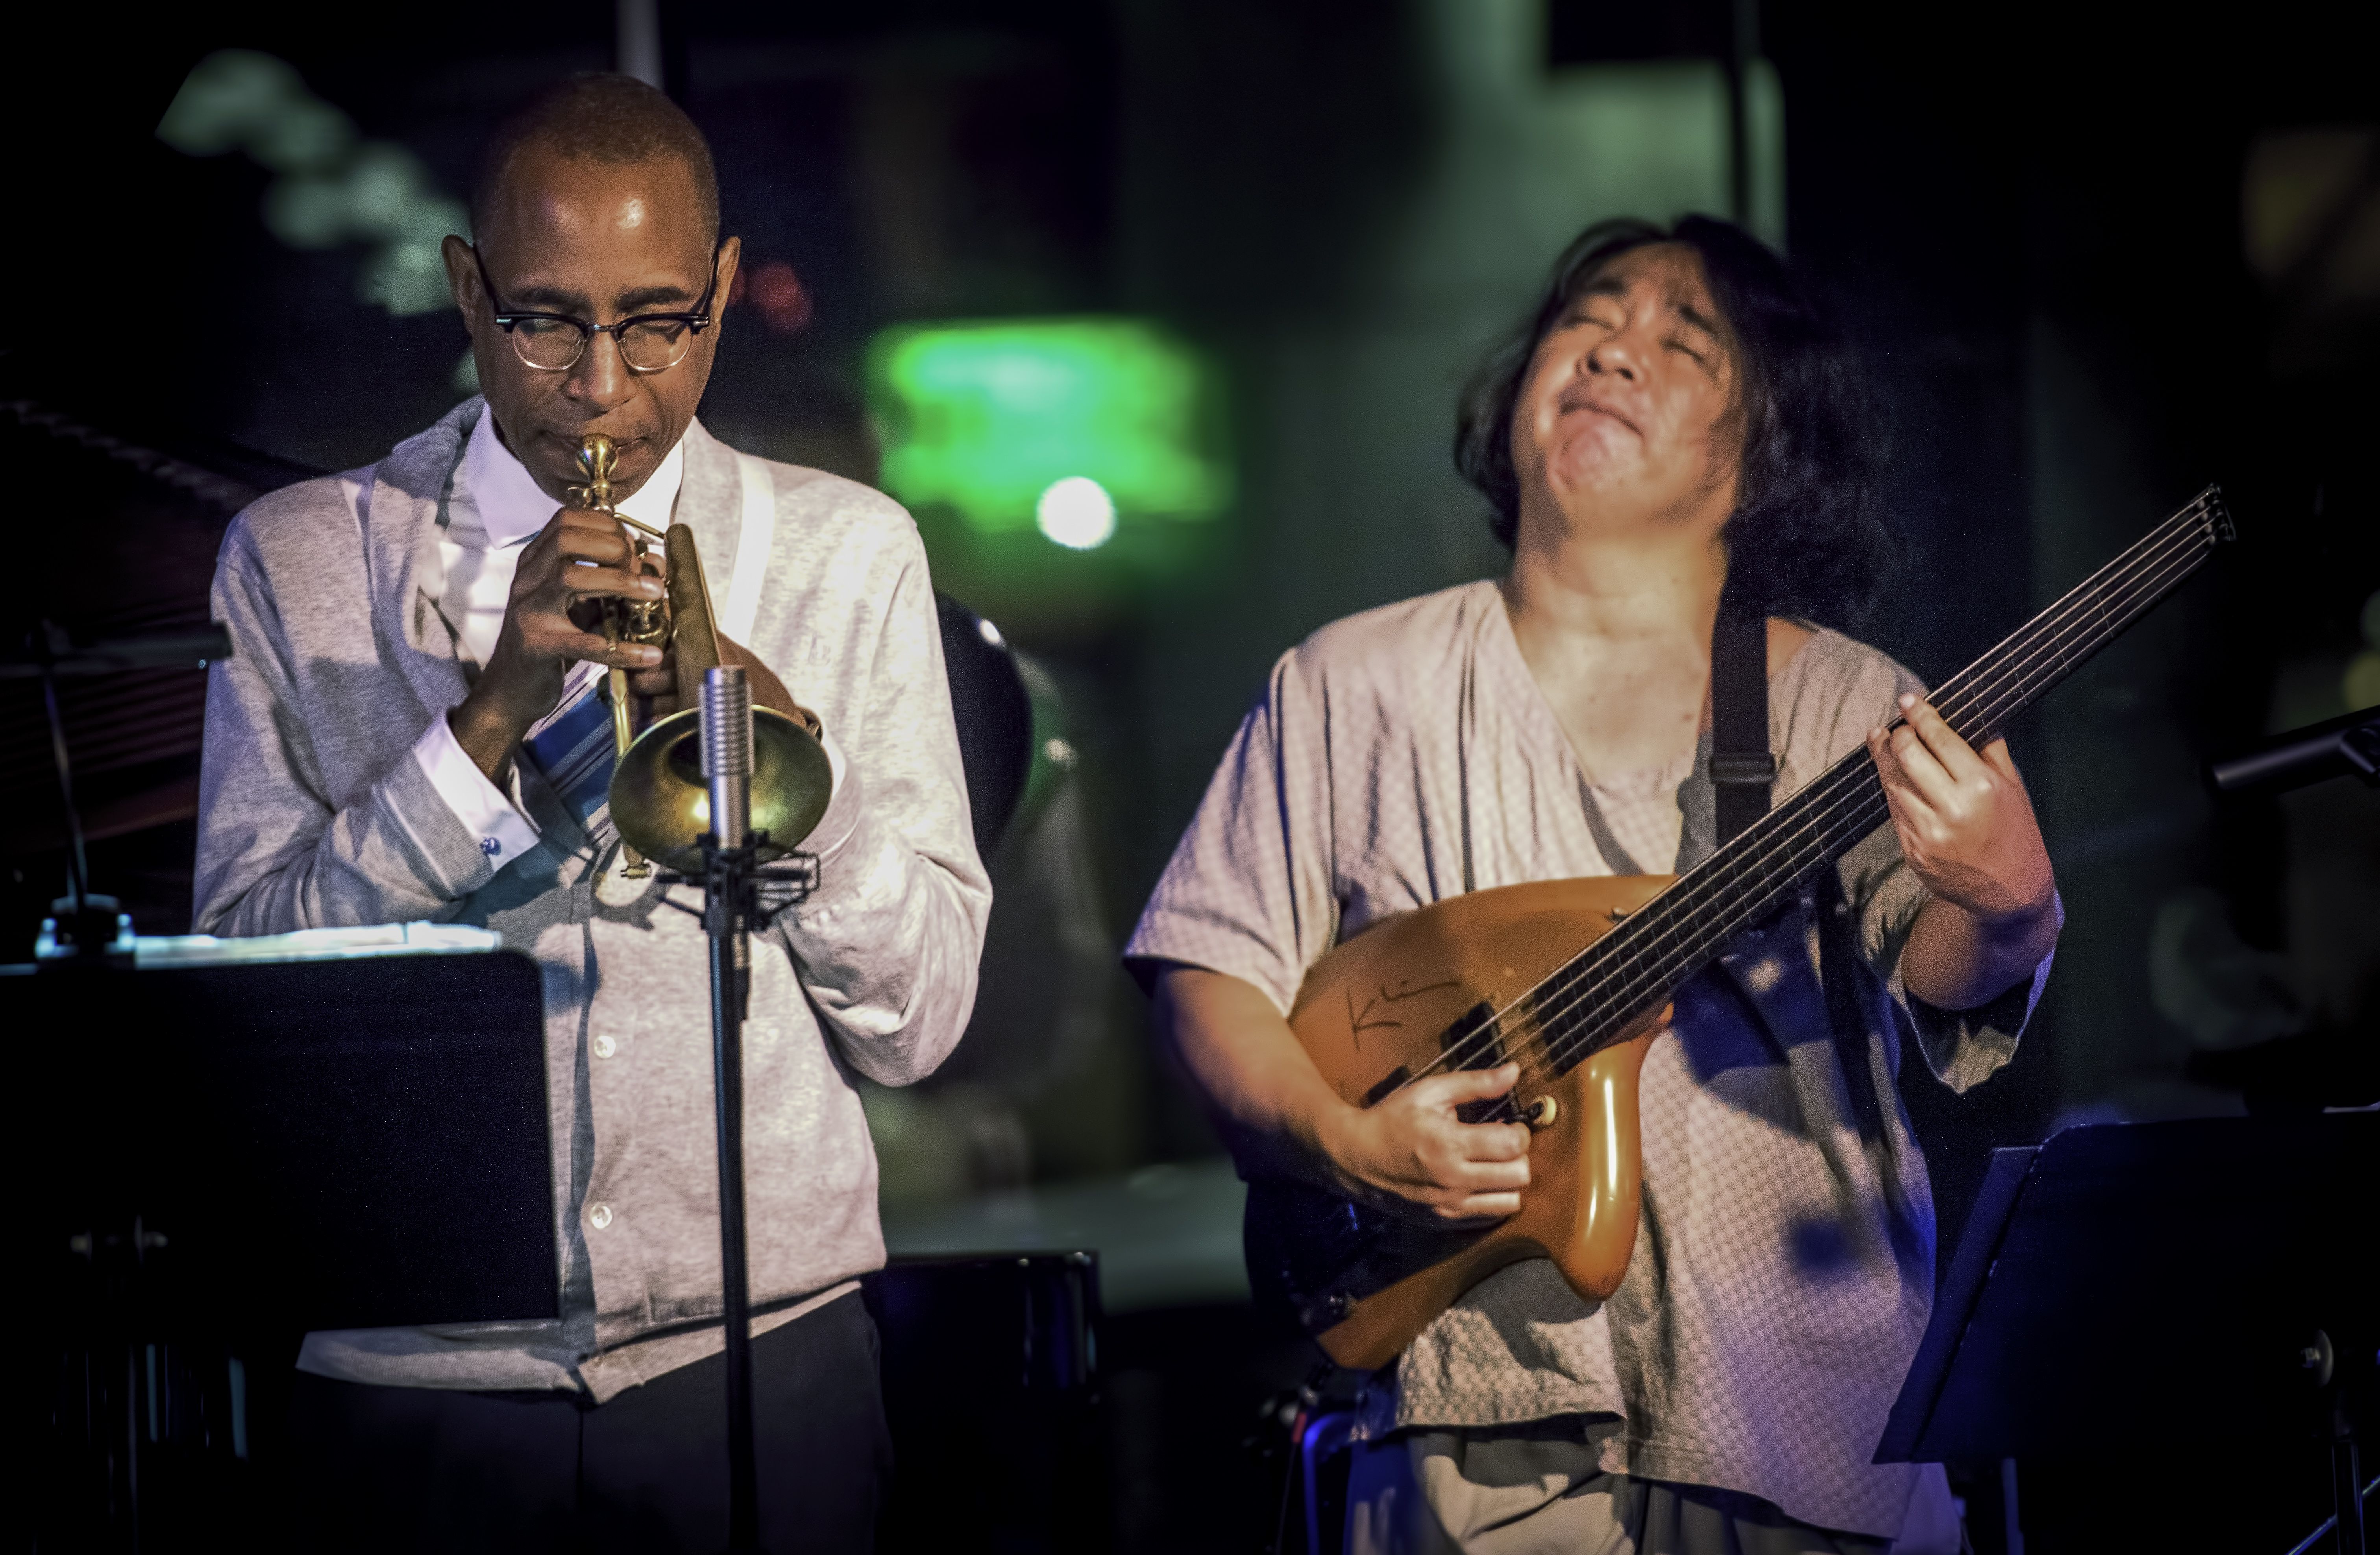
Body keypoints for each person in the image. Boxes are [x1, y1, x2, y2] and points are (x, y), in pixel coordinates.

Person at [1126, 215, 2061, 1554]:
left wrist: (2014, 902)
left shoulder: (1848, 705)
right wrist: (1346, 1141)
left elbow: (1944, 971)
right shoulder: (1350, 685)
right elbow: (1208, 974)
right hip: (1476, 1434)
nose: (1614, 354)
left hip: (1806, 1427)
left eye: (1682, 344)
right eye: (1589, 320)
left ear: (1764, 446)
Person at [194, 74, 989, 1551]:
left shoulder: (848, 549)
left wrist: (765, 742)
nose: (603, 386)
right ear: (466, 288)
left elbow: (920, 1022)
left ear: (727, 292)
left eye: (656, 320)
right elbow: (242, 1008)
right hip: (411, 1377)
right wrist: (487, 720)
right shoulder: (299, 559)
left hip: (761, 1356)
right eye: (547, 318)